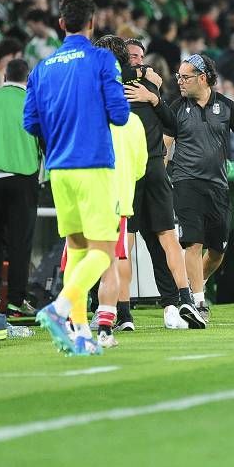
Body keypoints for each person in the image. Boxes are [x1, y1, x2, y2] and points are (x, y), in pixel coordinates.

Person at [25, 0, 130, 356]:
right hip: (93, 164)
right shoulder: (101, 59)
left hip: (59, 171)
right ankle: (60, 308)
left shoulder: (42, 68)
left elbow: (30, 122)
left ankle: (81, 334)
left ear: (60, 24)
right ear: (92, 23)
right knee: (104, 252)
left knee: (79, 250)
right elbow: (119, 114)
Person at [165, 53, 234, 321]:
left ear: (203, 78)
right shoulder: (176, 108)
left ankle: (196, 284)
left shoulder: (227, 107)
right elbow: (166, 144)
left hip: (218, 186)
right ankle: (197, 300)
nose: (180, 82)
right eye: (178, 77)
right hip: (185, 182)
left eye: (185, 77)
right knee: (192, 243)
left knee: (218, 250)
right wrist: (159, 174)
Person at [121, 38, 204, 330]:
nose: (138, 62)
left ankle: (123, 313)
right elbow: (172, 124)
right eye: (133, 56)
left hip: (131, 170)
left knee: (128, 243)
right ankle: (178, 302)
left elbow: (172, 124)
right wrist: (154, 95)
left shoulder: (111, 86)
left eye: (141, 57)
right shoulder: (146, 83)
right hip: (153, 165)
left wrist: (154, 95)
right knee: (160, 240)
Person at [92, 35, 148, 346]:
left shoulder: (83, 111)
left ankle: (72, 320)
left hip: (82, 196)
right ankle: (107, 324)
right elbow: (139, 169)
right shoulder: (132, 121)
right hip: (115, 202)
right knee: (110, 264)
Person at [0, 58, 42, 317]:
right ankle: (16, 300)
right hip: (24, 176)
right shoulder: (34, 101)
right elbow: (46, 139)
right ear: (28, 78)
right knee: (20, 242)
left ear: (4, 76)